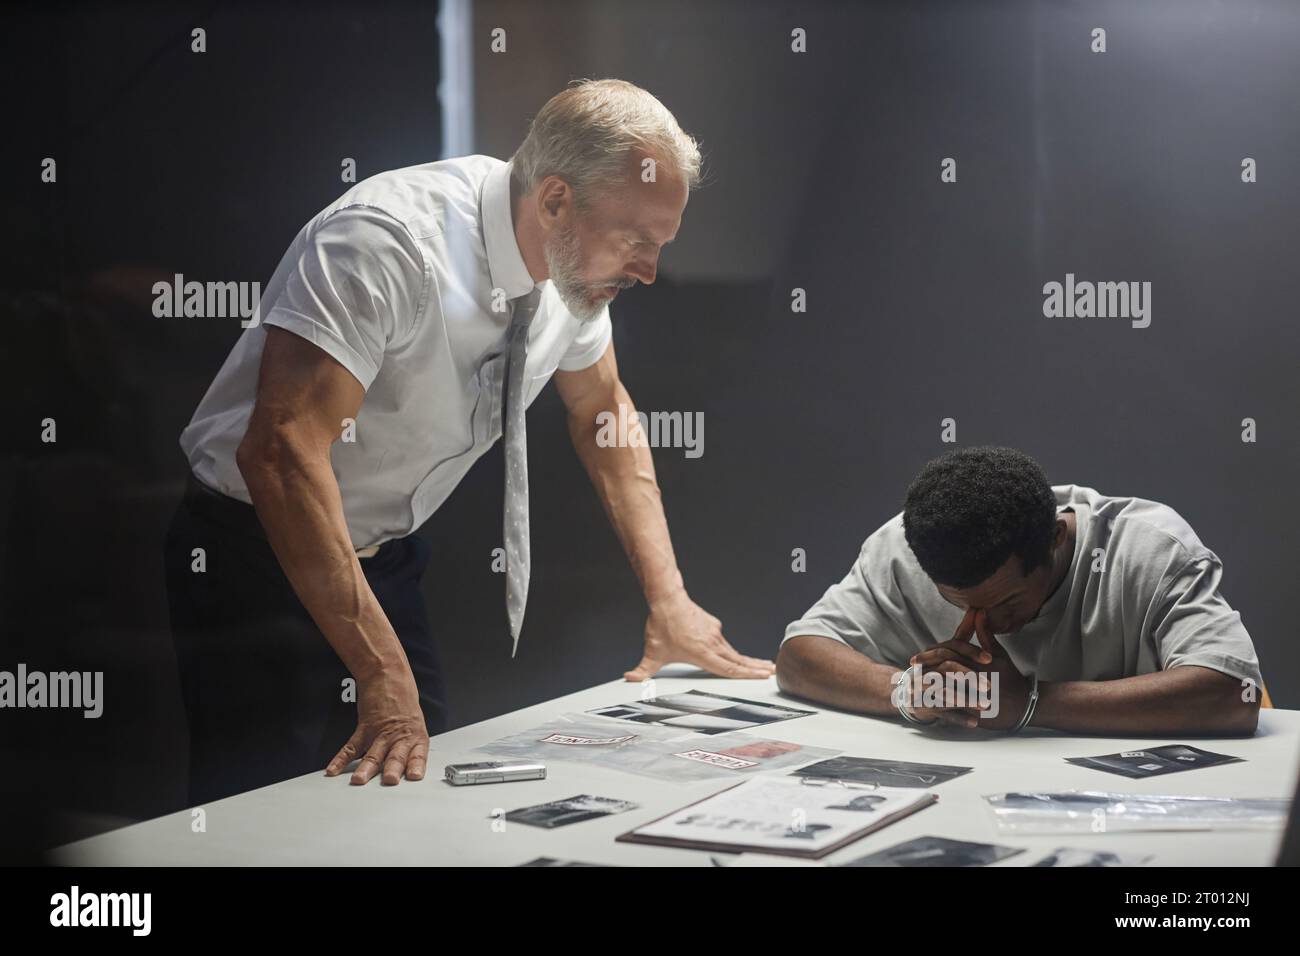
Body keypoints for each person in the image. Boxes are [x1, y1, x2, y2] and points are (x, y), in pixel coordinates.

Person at [165, 78, 772, 805]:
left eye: (659, 244)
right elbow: (281, 451)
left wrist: (670, 601)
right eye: (635, 242)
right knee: (256, 819)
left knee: (400, 797)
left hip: (386, 560)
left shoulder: (576, 270)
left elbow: (602, 410)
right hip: (253, 555)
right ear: (553, 201)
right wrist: (381, 672)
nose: (648, 270)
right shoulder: (384, 242)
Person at [776, 446, 1262, 735]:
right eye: (956, 603)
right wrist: (907, 690)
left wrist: (1030, 702)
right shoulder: (906, 545)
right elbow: (798, 657)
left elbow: (1232, 692)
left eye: (1004, 602)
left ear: (1054, 540)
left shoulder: (1150, 549)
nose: (977, 627)